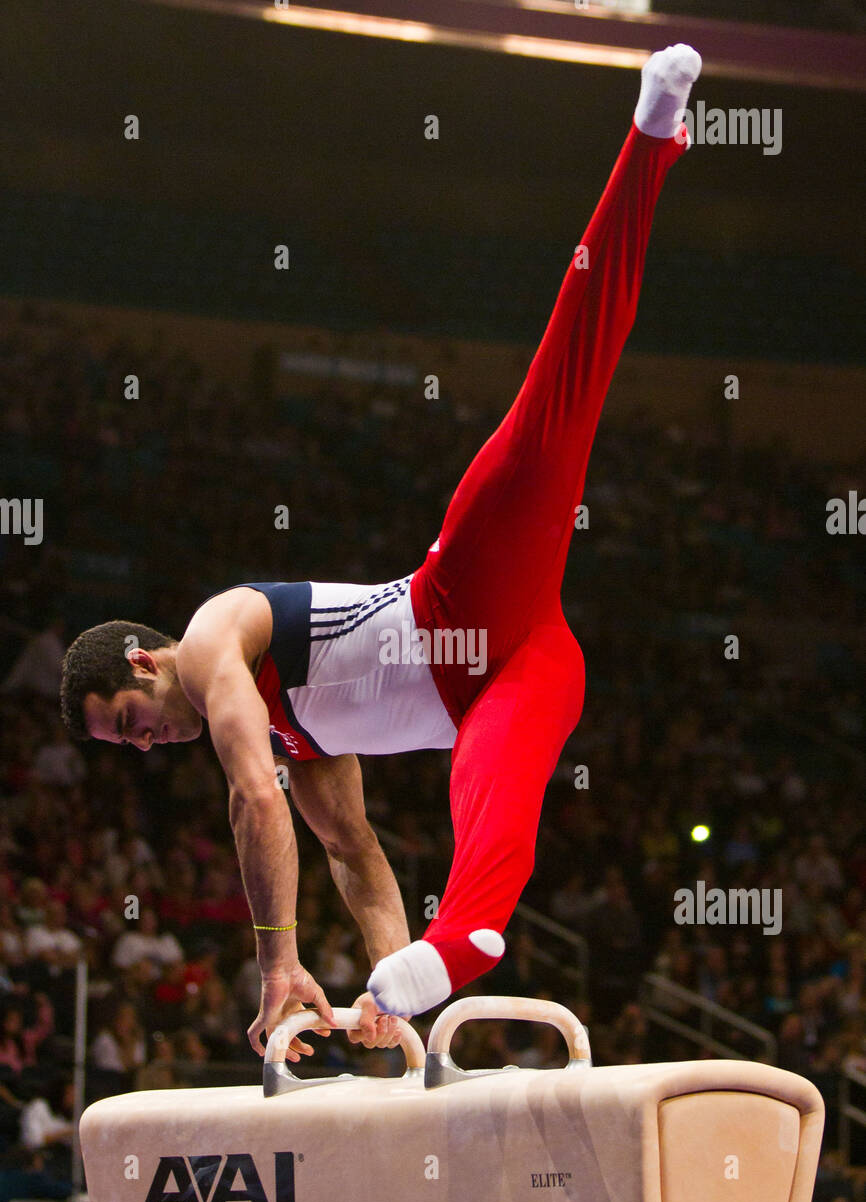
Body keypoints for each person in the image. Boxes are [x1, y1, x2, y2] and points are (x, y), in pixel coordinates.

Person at [59, 47, 702, 1050]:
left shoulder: (216, 634)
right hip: (519, 673)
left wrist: (276, 965)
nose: (143, 746)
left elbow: (249, 802)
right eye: (126, 746)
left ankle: (650, 136)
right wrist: (385, 1000)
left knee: (556, 404)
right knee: (486, 817)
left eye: (129, 724)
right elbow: (353, 854)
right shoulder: (294, 740)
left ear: (144, 662)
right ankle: (450, 955)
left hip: (467, 595)